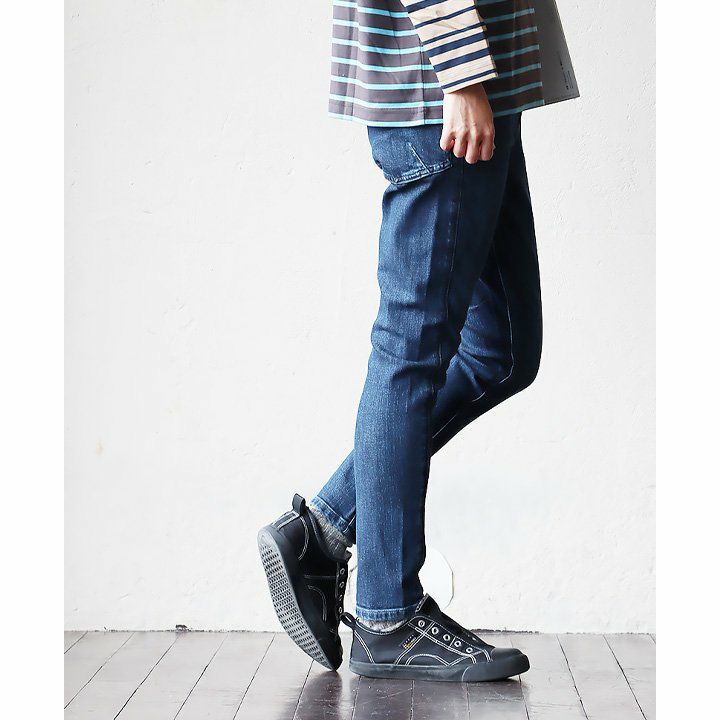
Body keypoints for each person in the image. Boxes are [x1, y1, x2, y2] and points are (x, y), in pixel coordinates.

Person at [258, 0, 576, 682]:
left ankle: (325, 528)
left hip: (484, 85)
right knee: (410, 352)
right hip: (444, 94)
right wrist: (461, 77)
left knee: (504, 352)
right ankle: (388, 617)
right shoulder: (456, 84)